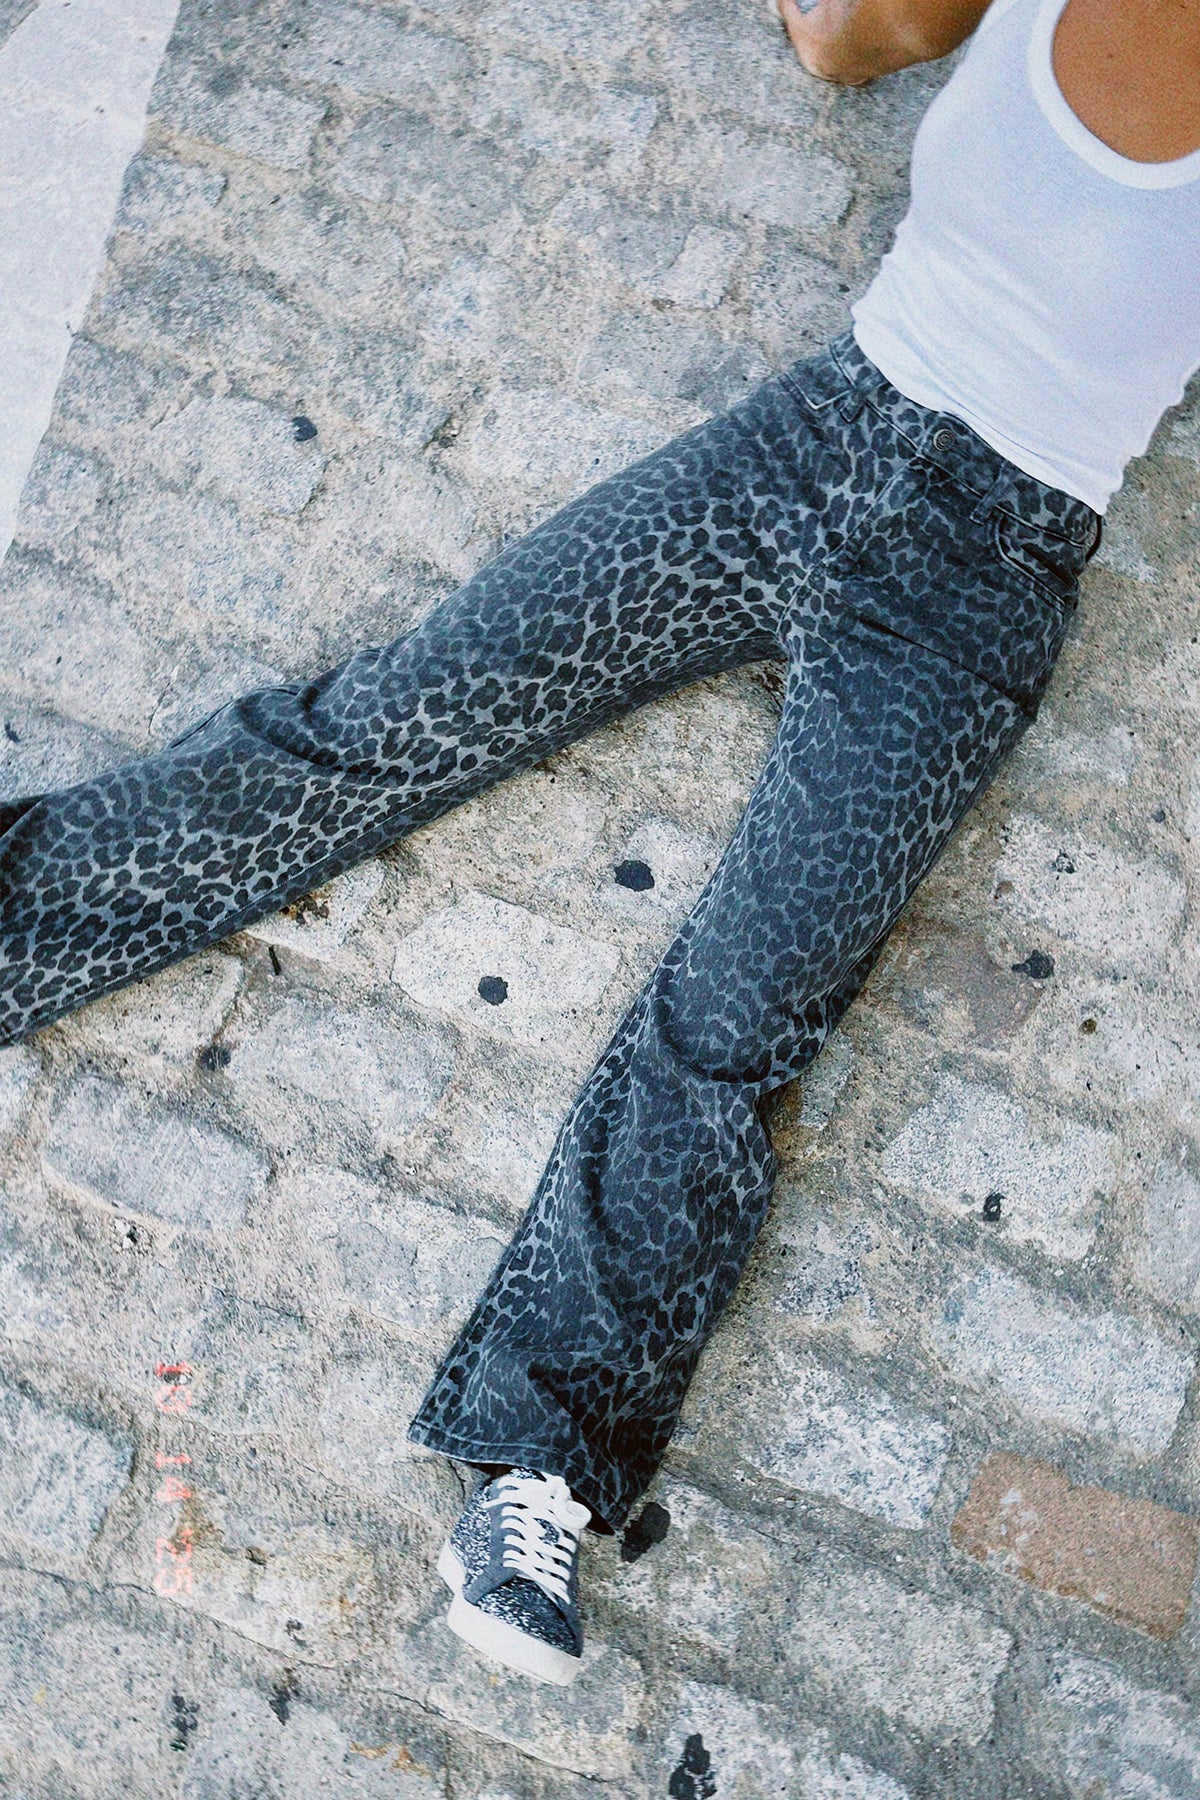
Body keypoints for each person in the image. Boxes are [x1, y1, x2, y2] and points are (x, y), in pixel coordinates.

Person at [1, 0, 1197, 1687]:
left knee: (742, 1016)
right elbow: (843, 40)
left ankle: (541, 1459)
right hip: (809, 437)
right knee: (404, 713)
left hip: (982, 580)